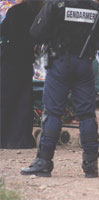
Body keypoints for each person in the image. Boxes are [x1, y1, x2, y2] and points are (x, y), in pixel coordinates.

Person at [20, 0, 99, 178]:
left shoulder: (57, 4)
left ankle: (43, 162)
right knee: (86, 114)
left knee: (53, 112)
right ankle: (91, 164)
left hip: (59, 62)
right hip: (85, 64)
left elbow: (36, 31)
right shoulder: (96, 8)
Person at [0, 0, 44, 149]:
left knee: (6, 99)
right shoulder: (39, 14)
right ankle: (20, 139)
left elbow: (3, 30)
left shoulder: (14, 11)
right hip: (25, 60)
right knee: (23, 100)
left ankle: (3, 137)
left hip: (8, 59)